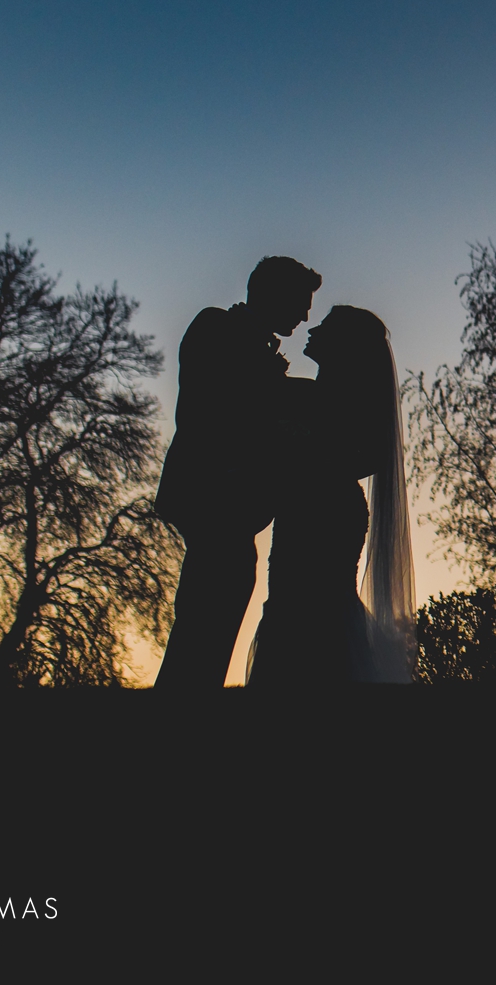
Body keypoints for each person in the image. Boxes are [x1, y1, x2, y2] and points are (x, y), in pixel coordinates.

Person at [153, 256, 322, 688]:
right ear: (272, 293)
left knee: (223, 592)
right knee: (211, 600)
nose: (305, 315)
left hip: (231, 499)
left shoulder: (253, 344)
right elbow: (211, 408)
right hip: (210, 490)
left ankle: (194, 687)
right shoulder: (214, 328)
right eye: (300, 303)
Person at [245, 304, 417, 686]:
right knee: (289, 601)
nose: (314, 329)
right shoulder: (303, 392)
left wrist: (309, 447)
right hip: (298, 509)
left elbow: (368, 455)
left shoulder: (348, 403)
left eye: (326, 326)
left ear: (343, 344)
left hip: (331, 511)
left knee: (319, 604)